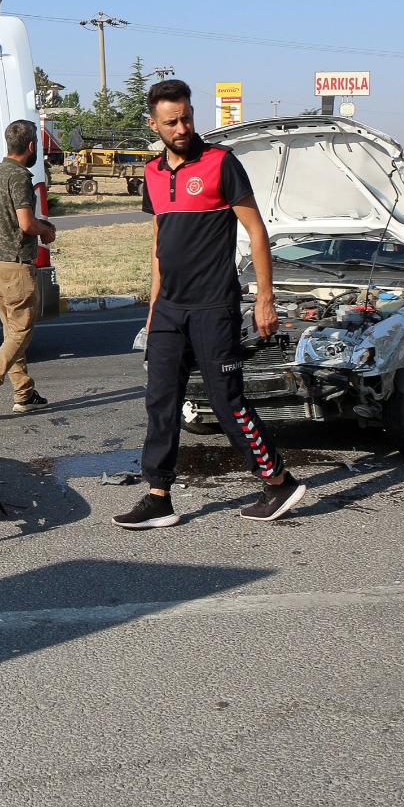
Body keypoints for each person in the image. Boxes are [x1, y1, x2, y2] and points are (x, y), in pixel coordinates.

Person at [114, 80, 306, 529]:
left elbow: (257, 231)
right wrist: (153, 303)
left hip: (213, 306)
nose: (182, 127)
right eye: (171, 121)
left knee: (226, 401)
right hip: (169, 309)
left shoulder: (221, 163)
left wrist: (264, 297)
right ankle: (159, 495)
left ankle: (278, 481)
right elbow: (161, 239)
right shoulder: (153, 173)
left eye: (186, 117)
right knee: (160, 400)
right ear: (154, 124)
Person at [0, 119, 56, 419]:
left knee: (12, 332)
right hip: (16, 268)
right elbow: (26, 223)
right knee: (20, 332)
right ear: (30, 146)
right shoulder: (19, 177)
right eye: (37, 146)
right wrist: (45, 231)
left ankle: (24, 394)